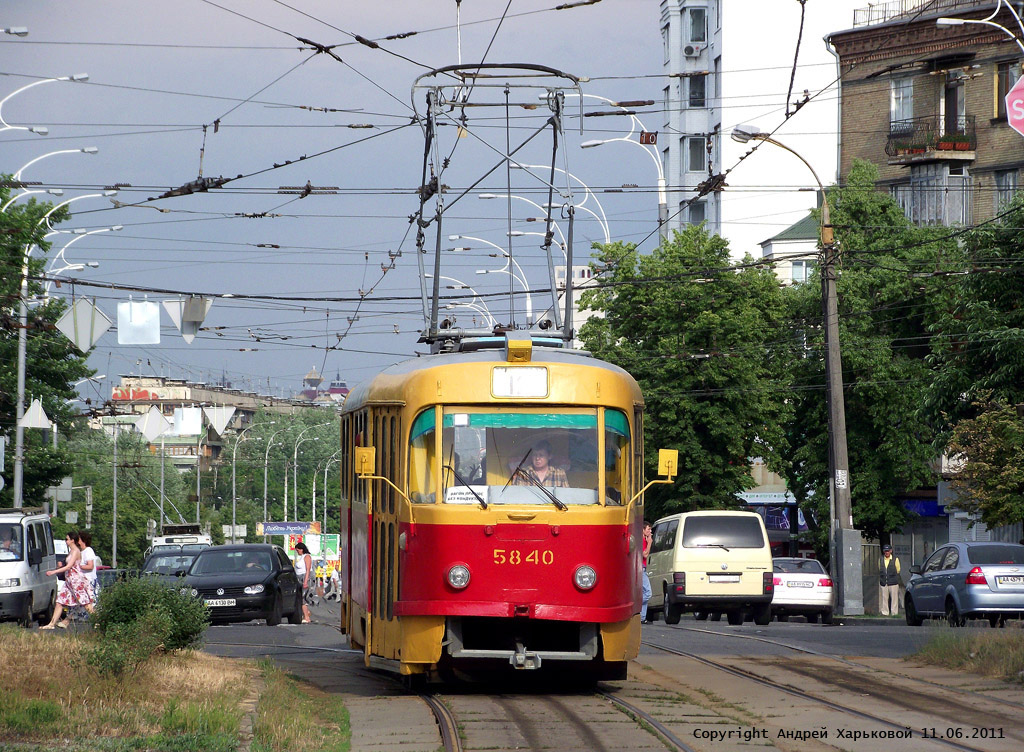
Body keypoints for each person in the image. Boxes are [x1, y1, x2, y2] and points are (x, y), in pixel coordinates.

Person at [41, 534, 95, 629]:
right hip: (69, 580)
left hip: (76, 581)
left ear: (72, 540)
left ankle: (99, 620)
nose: (65, 541)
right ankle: (51, 624)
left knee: (85, 602)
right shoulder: (71, 551)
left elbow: (69, 566)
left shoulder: (76, 551)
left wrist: (54, 571)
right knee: (59, 601)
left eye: (67, 539)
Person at [879, 543, 901, 616]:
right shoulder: (881, 559)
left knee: (894, 599)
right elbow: (879, 568)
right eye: (885, 551)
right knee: (884, 598)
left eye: (888, 551)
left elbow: (898, 570)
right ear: (883, 551)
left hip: (893, 582)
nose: (887, 552)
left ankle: (894, 613)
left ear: (891, 551)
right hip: (883, 582)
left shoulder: (895, 559)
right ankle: (885, 612)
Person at [293, 541, 313, 624]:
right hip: (299, 578)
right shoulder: (301, 557)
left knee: (302, 598)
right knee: (300, 597)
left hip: (305, 578)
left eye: (298, 550)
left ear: (302, 549)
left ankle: (306, 617)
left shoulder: (307, 556)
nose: (297, 552)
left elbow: (308, 569)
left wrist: (305, 581)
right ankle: (306, 613)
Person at [641, 521, 653, 623]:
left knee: (644, 592)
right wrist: (649, 543)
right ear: (643, 530)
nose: (650, 531)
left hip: (643, 568)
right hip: (640, 569)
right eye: (648, 529)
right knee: (648, 593)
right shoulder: (642, 540)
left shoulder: (643, 539)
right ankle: (636, 606)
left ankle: (642, 618)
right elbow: (644, 554)